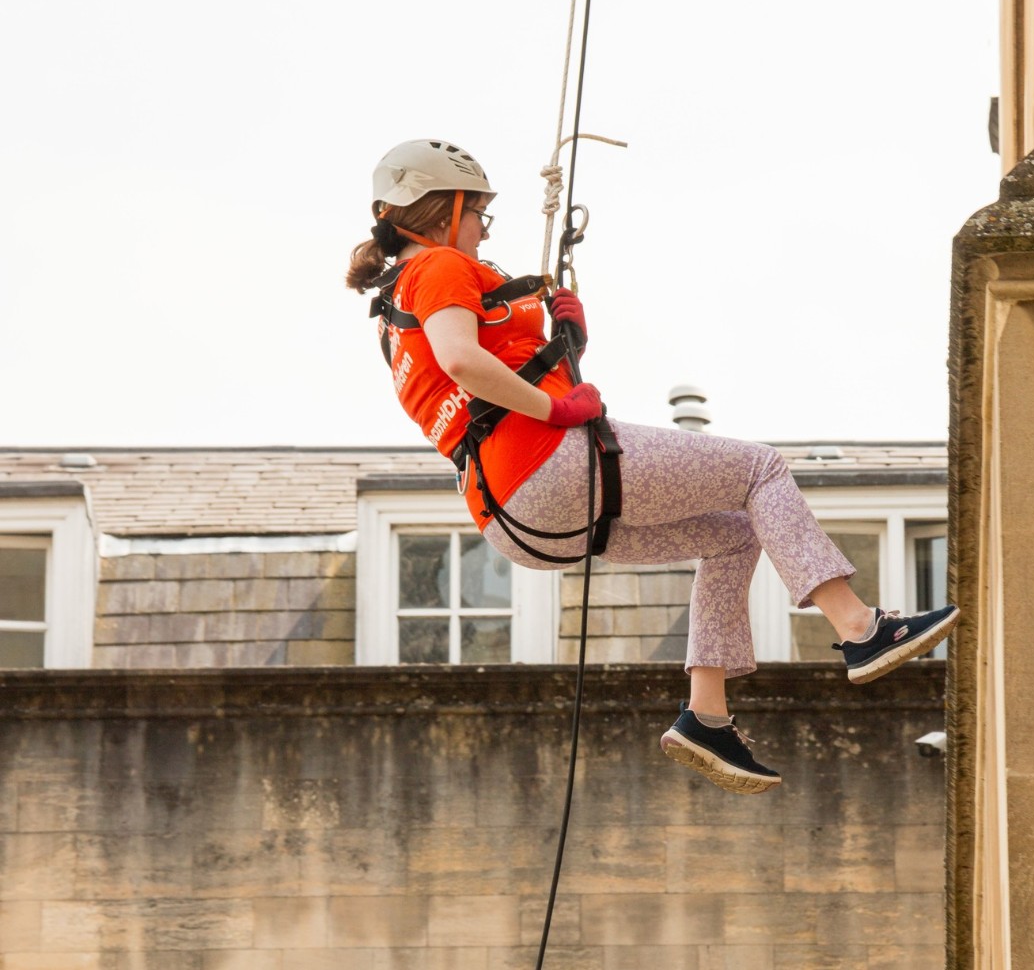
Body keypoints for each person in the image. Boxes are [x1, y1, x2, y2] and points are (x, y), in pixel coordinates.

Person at [346, 138, 960, 795]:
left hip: (516, 519)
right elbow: (463, 359)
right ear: (446, 208)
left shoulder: (396, 307)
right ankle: (861, 629)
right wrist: (551, 411)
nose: (481, 230)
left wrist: (564, 332)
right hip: (548, 463)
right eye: (479, 215)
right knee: (760, 470)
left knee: (733, 532)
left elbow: (485, 359)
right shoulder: (438, 266)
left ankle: (707, 715)